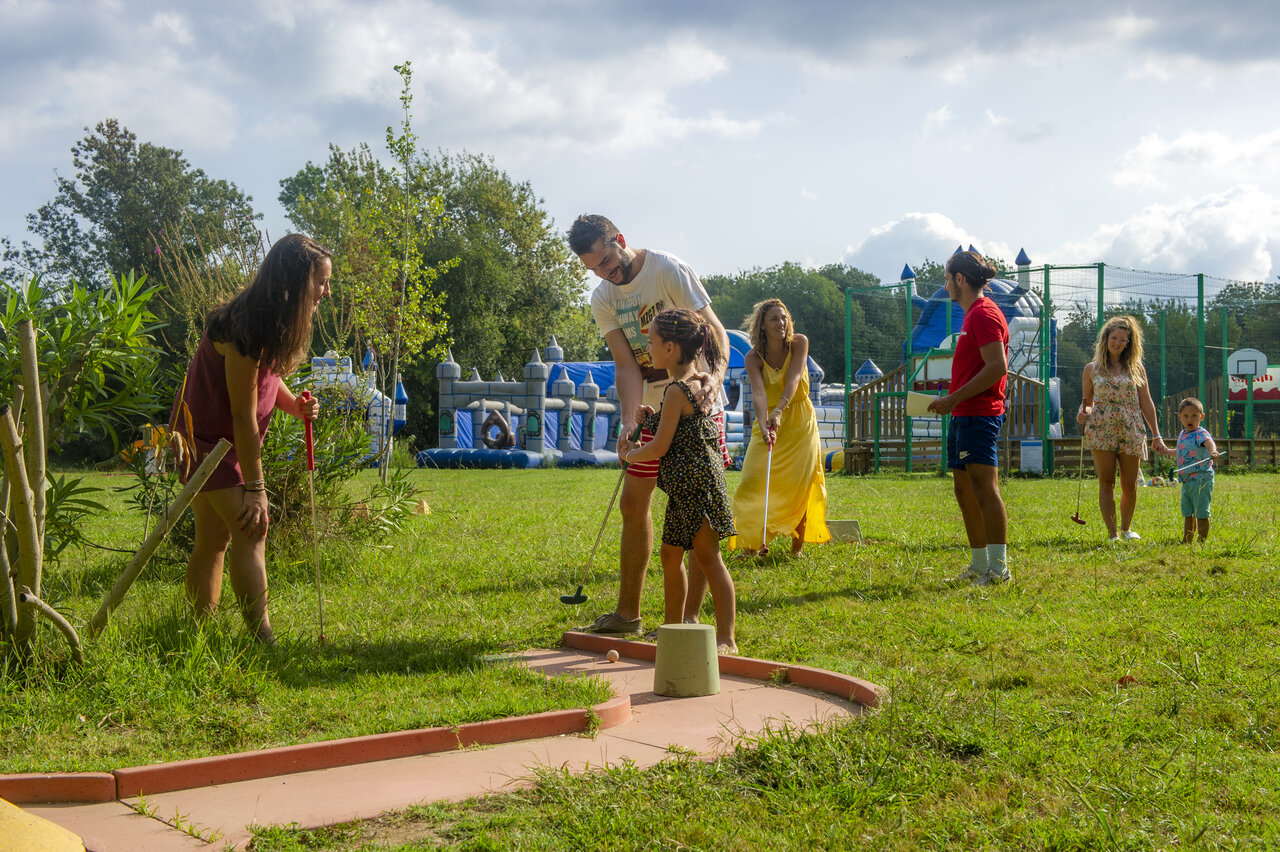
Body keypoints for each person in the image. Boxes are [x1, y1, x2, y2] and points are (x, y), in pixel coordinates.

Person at [568, 215, 730, 636]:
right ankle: (628, 615)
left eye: (608, 261)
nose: (607, 274)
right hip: (653, 408)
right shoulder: (603, 298)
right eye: (596, 270)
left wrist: (713, 378)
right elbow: (626, 365)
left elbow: (715, 331)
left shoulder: (667, 269)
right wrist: (628, 420)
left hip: (697, 404)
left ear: (620, 240)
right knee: (632, 503)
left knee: (695, 513)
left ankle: (688, 621)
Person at [172, 234, 330, 643]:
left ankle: (198, 634)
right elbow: (243, 416)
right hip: (210, 446)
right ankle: (262, 639)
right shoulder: (243, 329)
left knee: (213, 538)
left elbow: (267, 381)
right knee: (250, 529)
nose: (325, 293)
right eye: (320, 282)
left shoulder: (269, 321)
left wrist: (294, 405)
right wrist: (257, 489)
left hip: (221, 444)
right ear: (296, 283)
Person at [624, 309, 737, 653]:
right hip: (684, 490)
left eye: (652, 343)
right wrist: (651, 416)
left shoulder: (677, 390)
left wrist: (629, 453)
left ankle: (726, 638)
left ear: (670, 348)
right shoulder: (692, 386)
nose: (648, 350)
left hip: (698, 489)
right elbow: (675, 427)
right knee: (670, 557)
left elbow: (659, 447)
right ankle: (673, 629)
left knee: (709, 558)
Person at [927, 251, 1012, 586]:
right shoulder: (972, 315)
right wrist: (952, 395)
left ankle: (999, 570)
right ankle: (979, 566)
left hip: (979, 414)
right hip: (964, 413)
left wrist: (954, 398)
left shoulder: (983, 313)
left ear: (960, 279)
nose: (946, 285)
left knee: (984, 489)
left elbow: (997, 367)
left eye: (948, 279)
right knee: (964, 489)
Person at [730, 298, 830, 557]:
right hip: (767, 419)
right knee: (752, 479)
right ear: (762, 325)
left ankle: (797, 547)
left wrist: (779, 411)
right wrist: (764, 425)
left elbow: (794, 379)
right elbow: (759, 394)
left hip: (798, 421)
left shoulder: (799, 343)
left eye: (784, 317)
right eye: (774, 318)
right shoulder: (753, 357)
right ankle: (751, 545)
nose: (781, 323)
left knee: (799, 484)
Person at [1076, 315, 1168, 541]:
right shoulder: (1091, 369)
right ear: (1105, 338)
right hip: (1100, 427)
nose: (1117, 342)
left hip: (1131, 427)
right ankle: (1113, 534)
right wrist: (1083, 413)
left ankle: (1127, 529)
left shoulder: (1136, 368)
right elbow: (1087, 402)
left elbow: (1146, 402)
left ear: (1129, 343)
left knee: (1130, 483)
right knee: (1106, 481)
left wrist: (1156, 434)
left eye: (1123, 339)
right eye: (1113, 337)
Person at [1158, 397, 1219, 543]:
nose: (1189, 419)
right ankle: (1187, 540)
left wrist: (1213, 451)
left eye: (1194, 416)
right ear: (1180, 417)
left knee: (1201, 512)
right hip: (1186, 479)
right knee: (1188, 512)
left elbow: (1209, 442)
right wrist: (1167, 452)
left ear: (1201, 417)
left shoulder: (1200, 433)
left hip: (1201, 478)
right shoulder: (1183, 434)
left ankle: (1202, 542)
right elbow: (1181, 452)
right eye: (1185, 416)